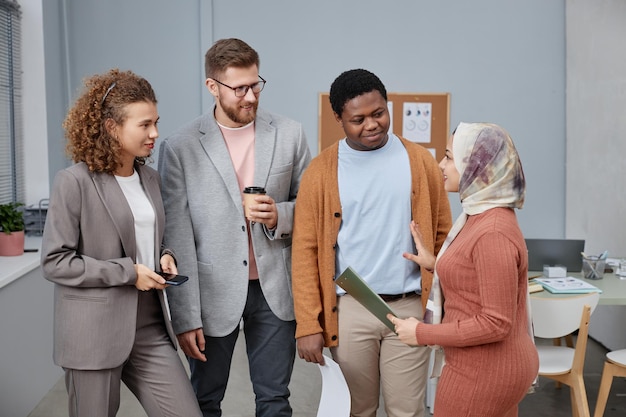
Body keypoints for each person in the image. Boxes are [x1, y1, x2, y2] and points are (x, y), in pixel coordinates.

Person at [158, 38, 311, 417]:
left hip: (275, 289)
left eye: (255, 84)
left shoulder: (290, 133)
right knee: (203, 401)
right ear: (213, 86)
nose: (250, 96)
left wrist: (280, 216)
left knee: (275, 400)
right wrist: (185, 316)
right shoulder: (181, 146)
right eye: (238, 88)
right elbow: (176, 236)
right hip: (210, 294)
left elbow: (310, 207)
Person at [40, 69, 202, 417]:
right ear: (112, 127)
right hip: (93, 333)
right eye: (144, 125)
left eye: (156, 122)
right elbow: (55, 261)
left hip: (149, 325)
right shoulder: (74, 182)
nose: (155, 133)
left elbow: (148, 240)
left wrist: (165, 256)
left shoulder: (151, 178)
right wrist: (128, 272)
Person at [292, 68, 452, 417]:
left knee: (407, 411)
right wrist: (308, 323)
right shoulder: (321, 172)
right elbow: (305, 252)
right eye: (357, 119)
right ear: (339, 119)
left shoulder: (419, 162)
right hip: (350, 309)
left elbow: (443, 234)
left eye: (378, 113)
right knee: (357, 410)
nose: (371, 125)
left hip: (408, 308)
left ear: (387, 104)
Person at [389, 122, 539, 417]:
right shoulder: (483, 214)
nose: (441, 164)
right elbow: (478, 273)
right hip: (494, 366)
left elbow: (496, 323)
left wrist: (422, 333)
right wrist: (438, 263)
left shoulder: (492, 230)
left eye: (449, 156)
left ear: (476, 165)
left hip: (484, 371)